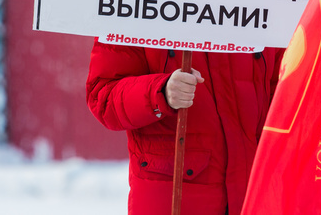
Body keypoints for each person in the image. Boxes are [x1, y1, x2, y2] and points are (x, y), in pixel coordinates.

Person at [86, 41, 284, 215]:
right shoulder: (137, 0)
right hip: (173, 193)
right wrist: (160, 92)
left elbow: (288, 86)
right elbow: (102, 96)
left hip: (258, 191)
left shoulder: (259, 2)